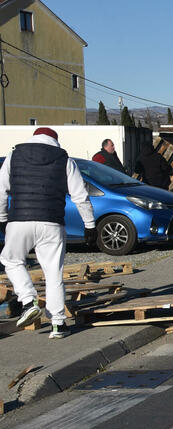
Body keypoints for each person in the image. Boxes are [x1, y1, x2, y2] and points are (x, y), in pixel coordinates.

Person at [0, 127, 96, 338]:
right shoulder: (65, 160)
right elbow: (80, 196)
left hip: (20, 220)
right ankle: (58, 324)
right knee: (53, 272)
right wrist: (90, 225)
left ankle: (28, 300)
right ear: (55, 140)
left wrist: (2, 218)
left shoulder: (13, 155)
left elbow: (1, 189)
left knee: (11, 260)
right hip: (52, 223)